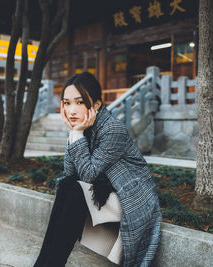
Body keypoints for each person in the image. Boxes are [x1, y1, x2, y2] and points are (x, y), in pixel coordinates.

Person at [33, 72, 161, 267]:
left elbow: (87, 175)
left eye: (80, 102)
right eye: (66, 103)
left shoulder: (112, 130)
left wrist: (76, 133)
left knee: (75, 190)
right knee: (68, 184)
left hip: (132, 199)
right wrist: (74, 132)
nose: (72, 110)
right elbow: (70, 170)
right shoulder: (85, 126)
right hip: (106, 190)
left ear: (97, 105)